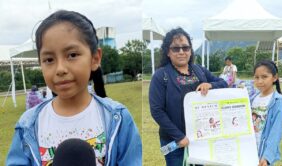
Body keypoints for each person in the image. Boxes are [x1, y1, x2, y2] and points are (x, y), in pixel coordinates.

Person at [6, 10, 141, 166]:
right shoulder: (28, 125)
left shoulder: (118, 118)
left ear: (95, 58)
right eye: (49, 59)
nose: (60, 69)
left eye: (72, 55)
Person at [149, 27, 227, 166]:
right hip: (174, 142)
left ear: (190, 51)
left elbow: (224, 83)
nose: (181, 52)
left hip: (201, 139)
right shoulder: (161, 76)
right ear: (168, 52)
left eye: (185, 48)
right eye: (175, 48)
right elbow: (157, 111)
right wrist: (179, 137)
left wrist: (210, 85)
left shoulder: (199, 71)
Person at [251, 60, 282, 166]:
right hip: (249, 150)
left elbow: (276, 131)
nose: (260, 81)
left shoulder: (277, 101)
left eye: (264, 77)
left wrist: (267, 156)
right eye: (256, 77)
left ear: (274, 78)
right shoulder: (252, 98)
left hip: (263, 154)